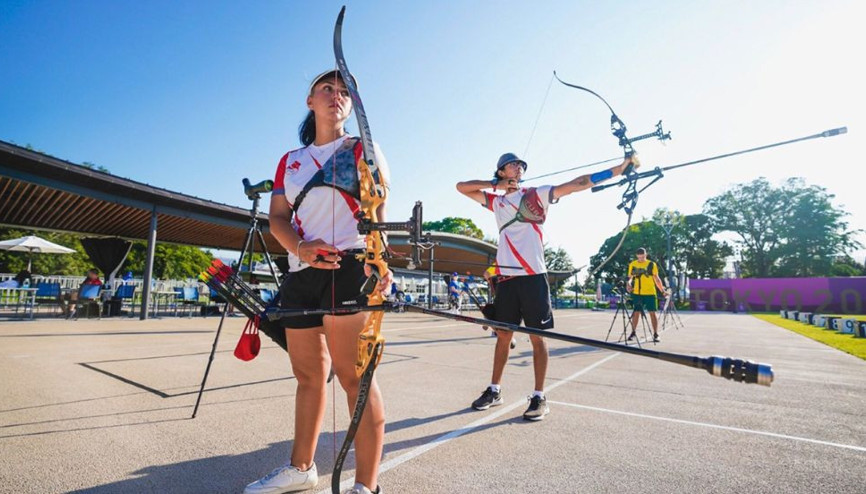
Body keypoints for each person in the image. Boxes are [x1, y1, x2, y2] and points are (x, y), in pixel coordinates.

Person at [243, 69, 391, 494]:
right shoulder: (290, 160)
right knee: (308, 377)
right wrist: (301, 249)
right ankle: (302, 468)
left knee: (355, 379)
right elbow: (277, 218)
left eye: (344, 91)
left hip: (351, 270)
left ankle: (366, 485)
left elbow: (379, 213)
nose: (336, 96)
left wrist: (382, 263)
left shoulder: (364, 149)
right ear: (310, 101)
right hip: (301, 273)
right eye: (327, 89)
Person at [457, 151, 636, 421]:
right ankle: (495, 390)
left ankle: (539, 396)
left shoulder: (535, 195)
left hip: (533, 277)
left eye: (520, 165)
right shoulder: (496, 202)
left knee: (537, 337)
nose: (518, 168)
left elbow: (579, 183)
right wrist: (495, 185)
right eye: (512, 165)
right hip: (506, 279)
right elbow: (461, 187)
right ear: (502, 171)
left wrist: (619, 170)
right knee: (504, 336)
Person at [626, 247, 668, 343]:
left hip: (650, 293)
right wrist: (628, 284)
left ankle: (656, 334)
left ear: (646, 255)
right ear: (637, 256)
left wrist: (662, 290)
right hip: (637, 293)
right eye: (639, 257)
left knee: (652, 313)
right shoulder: (633, 264)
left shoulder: (651, 264)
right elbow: (630, 278)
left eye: (642, 257)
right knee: (636, 313)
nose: (640, 259)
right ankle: (633, 332)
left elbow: (656, 279)